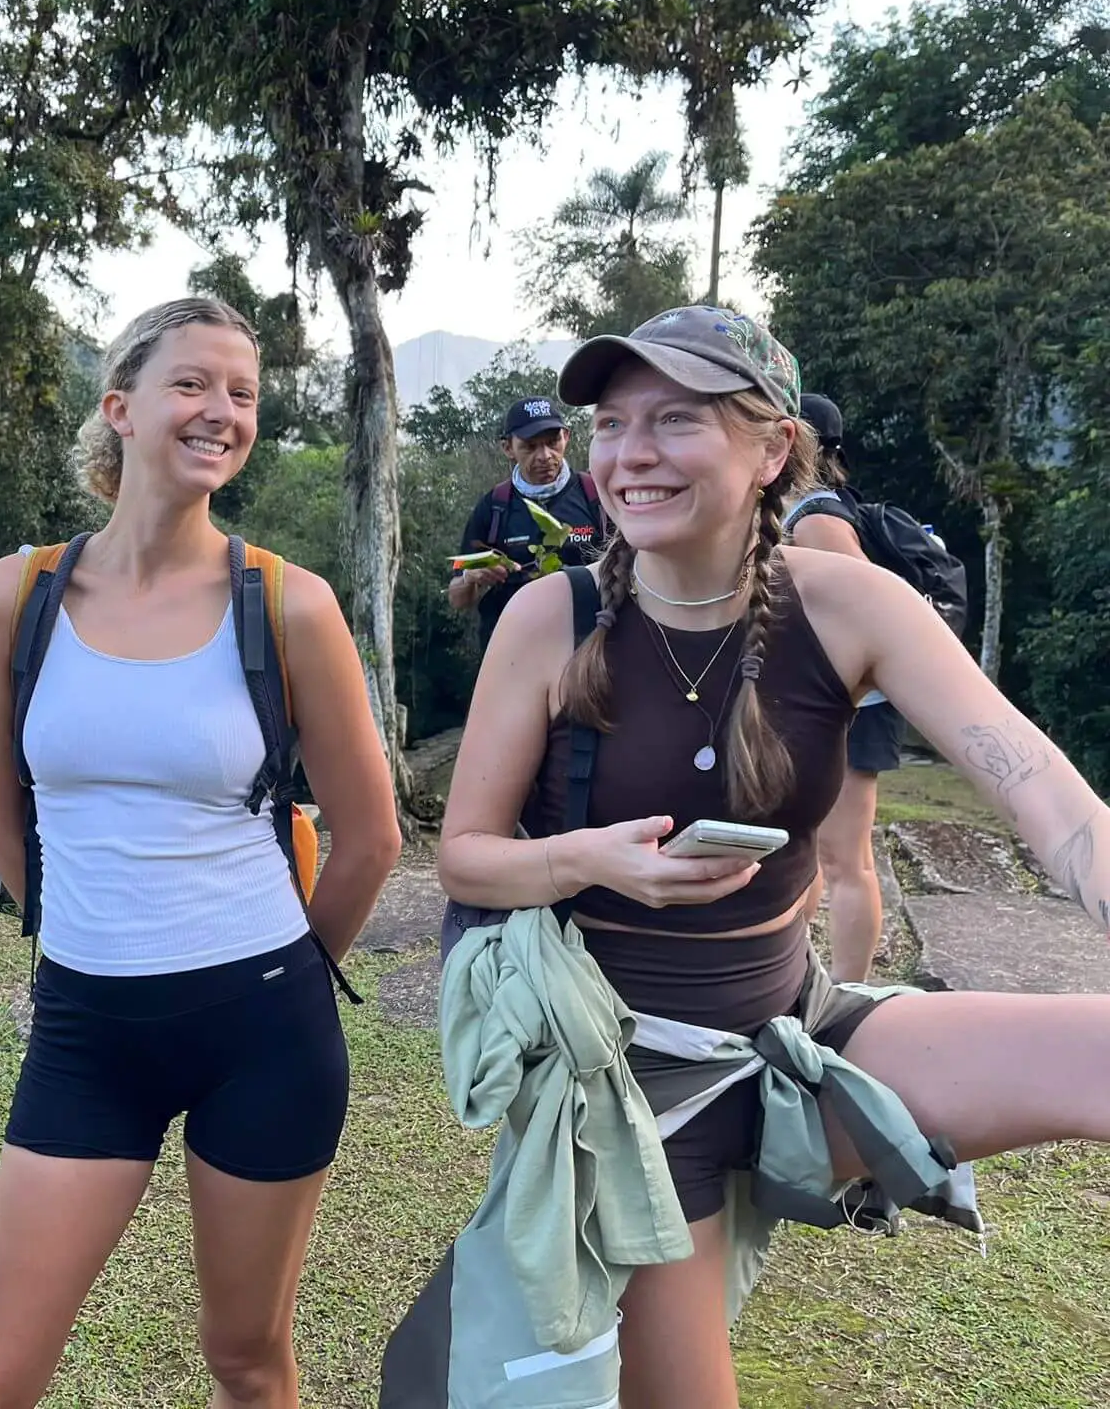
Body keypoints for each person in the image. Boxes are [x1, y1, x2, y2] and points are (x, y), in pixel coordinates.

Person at [437, 305, 1110, 1409]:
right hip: (636, 1088)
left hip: (795, 1032)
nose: (629, 452)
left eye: (675, 420)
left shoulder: (847, 602)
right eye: (612, 424)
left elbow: (1046, 796)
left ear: (769, 450)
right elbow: (464, 858)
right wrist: (589, 861)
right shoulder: (551, 618)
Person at [0, 296, 401, 1408]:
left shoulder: (287, 605)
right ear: (121, 408)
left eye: (242, 393)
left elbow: (371, 837)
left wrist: (291, 978)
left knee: (245, 1358)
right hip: (85, 1029)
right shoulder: (16, 596)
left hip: (263, 1032)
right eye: (192, 383)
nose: (221, 411)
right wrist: (83, 926)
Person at [783, 392, 897, 982]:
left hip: (852, 704)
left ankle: (851, 994)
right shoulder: (810, 509)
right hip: (832, 701)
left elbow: (867, 606)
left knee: (846, 858)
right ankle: (799, 979)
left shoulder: (817, 516)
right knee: (809, 850)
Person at [448, 394, 608, 653]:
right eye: (530, 446)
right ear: (508, 448)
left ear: (566, 436)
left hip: (587, 650)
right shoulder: (493, 507)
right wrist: (470, 576)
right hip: (513, 650)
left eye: (552, 442)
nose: (544, 455)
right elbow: (457, 598)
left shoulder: (596, 495)